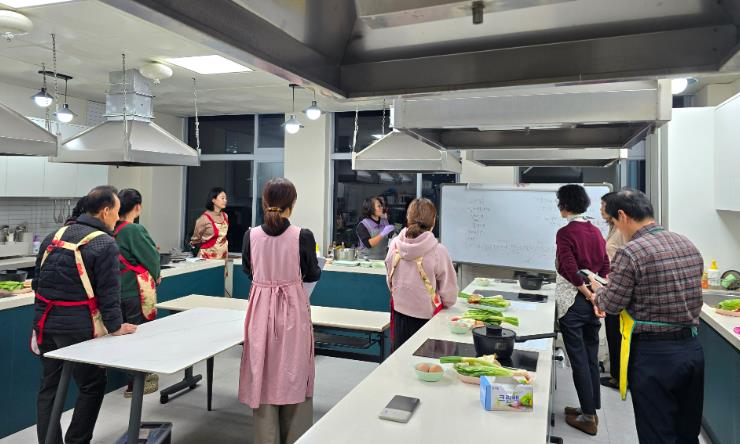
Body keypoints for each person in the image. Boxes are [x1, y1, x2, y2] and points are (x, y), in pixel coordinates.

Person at [590, 190, 704, 444]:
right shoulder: (686, 243)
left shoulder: (631, 252)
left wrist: (598, 292)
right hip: (692, 350)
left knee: (657, 432)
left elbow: (612, 304)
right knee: (687, 432)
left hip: (655, 356)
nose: (617, 229)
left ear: (622, 216)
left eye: (614, 222)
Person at [32, 186, 137, 444]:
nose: (118, 217)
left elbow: (37, 283)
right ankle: (77, 441)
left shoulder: (53, 236)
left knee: (49, 388)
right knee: (91, 385)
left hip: (46, 325)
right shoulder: (104, 243)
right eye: (116, 212)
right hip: (78, 328)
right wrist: (116, 327)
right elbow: (109, 293)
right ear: (105, 211)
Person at [239, 178, 321, 444]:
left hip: (260, 311)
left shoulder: (250, 235)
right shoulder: (302, 236)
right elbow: (312, 273)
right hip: (293, 311)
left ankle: (266, 437)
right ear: (292, 204)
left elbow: (248, 270)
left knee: (262, 370)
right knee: (294, 369)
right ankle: (296, 436)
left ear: (265, 203)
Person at [553, 184, 609, 436]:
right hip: (592, 303)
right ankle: (590, 409)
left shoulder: (565, 233)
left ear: (565, 205)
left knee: (579, 361)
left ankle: (587, 417)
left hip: (573, 304)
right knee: (590, 358)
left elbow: (569, 268)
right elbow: (605, 265)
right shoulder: (595, 231)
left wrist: (586, 292)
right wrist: (596, 294)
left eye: (560, 202)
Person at [385, 198, 458, 350]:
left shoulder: (394, 245)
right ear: (433, 222)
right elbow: (449, 296)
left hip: (399, 317)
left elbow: (390, 281)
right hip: (428, 320)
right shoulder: (438, 251)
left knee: (399, 359)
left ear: (407, 219)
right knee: (424, 362)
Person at [113, 188, 161, 398]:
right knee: (138, 334)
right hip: (134, 291)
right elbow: (151, 257)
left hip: (115, 291)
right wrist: (156, 274)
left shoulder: (111, 229)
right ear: (138, 207)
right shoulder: (134, 230)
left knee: (121, 336)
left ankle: (131, 379)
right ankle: (139, 382)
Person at [599, 191, 627, 390]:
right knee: (612, 333)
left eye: (603, 206)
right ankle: (616, 375)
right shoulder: (613, 228)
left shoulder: (622, 231)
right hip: (610, 285)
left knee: (617, 334)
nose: (601, 209)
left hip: (618, 288)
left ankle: (621, 377)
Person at [191, 187, 229, 259]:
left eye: (226, 198)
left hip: (223, 256)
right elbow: (195, 241)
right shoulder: (204, 219)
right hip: (207, 257)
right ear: (213, 200)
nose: (225, 200)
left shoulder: (225, 216)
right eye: (222, 198)